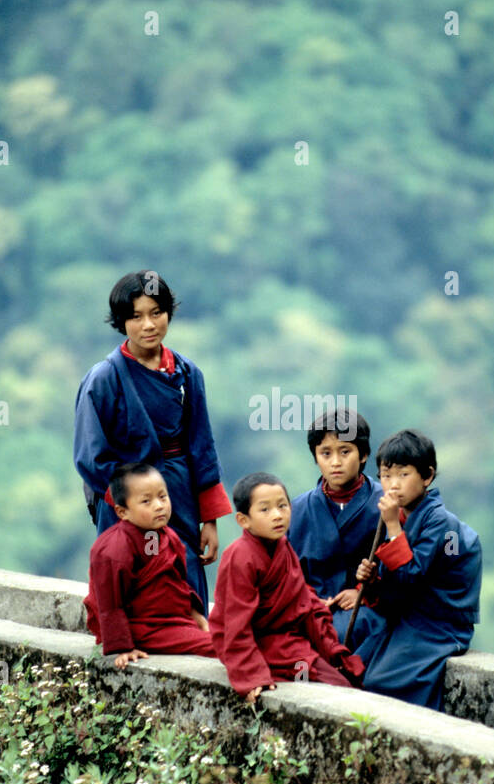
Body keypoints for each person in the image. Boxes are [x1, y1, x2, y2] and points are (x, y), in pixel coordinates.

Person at [73, 270, 232, 614]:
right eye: (135, 317)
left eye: (156, 313)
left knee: (184, 574)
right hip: (123, 501)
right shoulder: (104, 379)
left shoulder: (187, 375)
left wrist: (210, 522)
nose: (148, 325)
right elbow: (90, 456)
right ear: (121, 322)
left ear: (168, 314)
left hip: (177, 493)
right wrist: (132, 501)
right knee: (130, 582)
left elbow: (203, 448)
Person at [209, 472, 365, 704]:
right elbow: (236, 624)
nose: (277, 515)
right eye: (265, 509)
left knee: (345, 680)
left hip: (288, 639)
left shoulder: (282, 546)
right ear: (243, 520)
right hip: (262, 643)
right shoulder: (240, 556)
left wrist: (329, 646)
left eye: (282, 506)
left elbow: (300, 598)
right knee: (335, 688)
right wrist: (251, 676)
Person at [354, 429, 482, 711]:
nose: (392, 484)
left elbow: (411, 575)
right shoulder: (403, 516)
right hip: (408, 615)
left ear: (427, 476)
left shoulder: (439, 522)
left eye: (403, 474)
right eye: (385, 475)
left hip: (440, 623)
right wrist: (373, 579)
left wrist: (392, 528)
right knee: (355, 665)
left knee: (381, 681)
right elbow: (395, 580)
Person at [84, 462, 218, 668]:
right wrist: (123, 647)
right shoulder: (114, 548)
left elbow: (171, 580)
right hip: (141, 627)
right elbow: (109, 603)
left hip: (170, 619)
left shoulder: (157, 536)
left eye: (162, 496)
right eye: (146, 501)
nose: (159, 505)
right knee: (218, 644)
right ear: (122, 512)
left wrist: (197, 616)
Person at [287, 408, 384, 646]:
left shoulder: (385, 504)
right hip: (309, 606)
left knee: (345, 633)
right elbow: (286, 570)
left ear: (363, 455)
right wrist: (309, 599)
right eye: (326, 453)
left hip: (365, 610)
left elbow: (399, 567)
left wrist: (363, 592)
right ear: (315, 457)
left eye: (345, 451)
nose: (335, 463)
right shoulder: (298, 510)